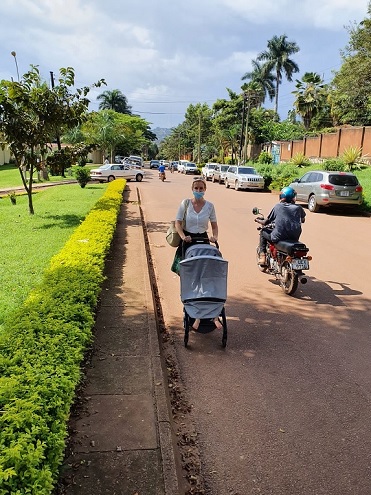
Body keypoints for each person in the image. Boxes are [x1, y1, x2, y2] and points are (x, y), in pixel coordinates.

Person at [171, 177, 220, 330]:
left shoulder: (210, 206)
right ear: (192, 189)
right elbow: (178, 222)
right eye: (196, 188)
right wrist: (182, 236)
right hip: (187, 241)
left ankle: (212, 314)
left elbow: (214, 225)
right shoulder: (185, 204)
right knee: (189, 276)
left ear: (205, 189)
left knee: (205, 275)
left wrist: (214, 237)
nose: (199, 191)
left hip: (203, 241)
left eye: (201, 188)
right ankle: (192, 309)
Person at [255, 186, 306, 266]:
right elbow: (303, 220)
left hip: (279, 237)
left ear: (282, 196)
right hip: (294, 237)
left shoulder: (278, 207)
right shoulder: (298, 208)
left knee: (263, 232)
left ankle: (262, 256)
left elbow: (266, 222)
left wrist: (257, 220)